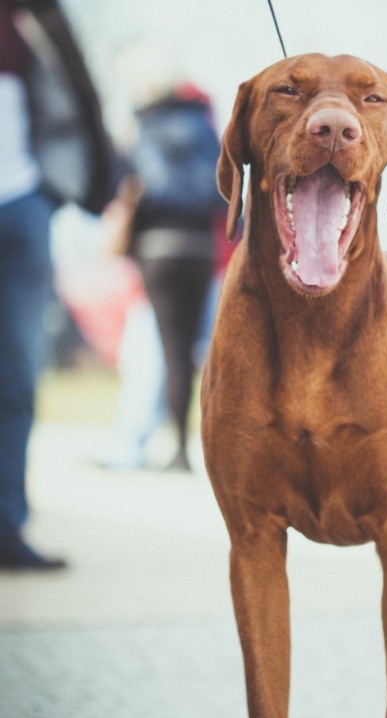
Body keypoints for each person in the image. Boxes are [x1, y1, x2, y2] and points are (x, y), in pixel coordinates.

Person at [0, 0, 112, 570]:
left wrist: (91, 181)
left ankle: (6, 527)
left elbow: (78, 82)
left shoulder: (33, 14)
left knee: (16, 375)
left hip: (22, 206)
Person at [125, 81, 223, 472]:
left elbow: (146, 185)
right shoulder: (205, 128)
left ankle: (171, 446)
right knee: (188, 354)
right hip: (201, 248)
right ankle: (182, 449)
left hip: (160, 247)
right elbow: (223, 192)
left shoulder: (146, 127)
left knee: (169, 348)